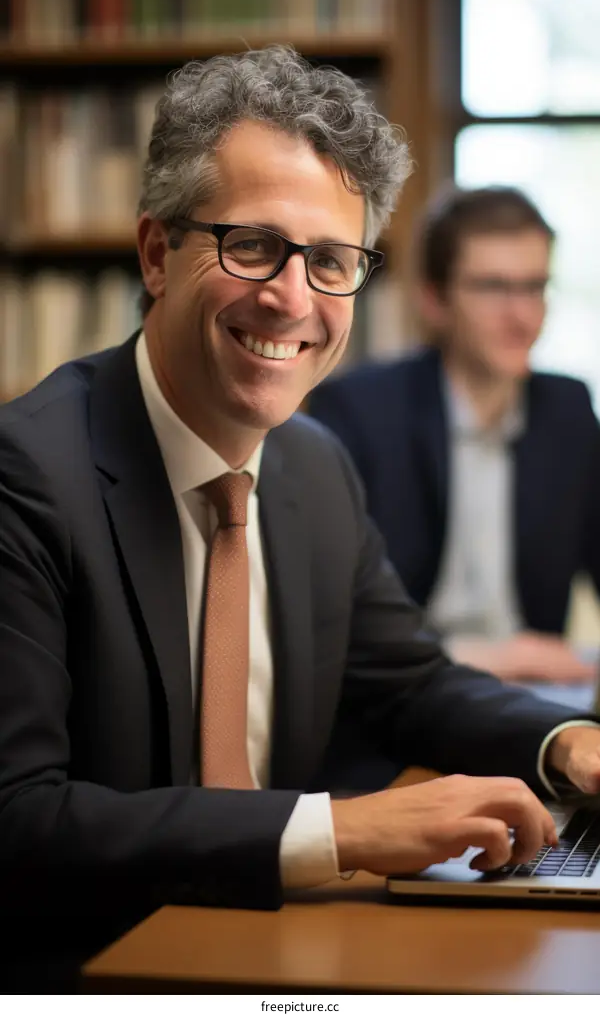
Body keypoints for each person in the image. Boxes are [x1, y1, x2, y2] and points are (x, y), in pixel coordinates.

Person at [2, 49, 600, 991]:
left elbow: (409, 684)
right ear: (158, 254)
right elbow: (19, 817)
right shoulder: (28, 474)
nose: (293, 298)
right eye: (252, 245)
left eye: (330, 260)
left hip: (274, 952)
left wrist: (564, 743)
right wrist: (345, 829)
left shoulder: (314, 468)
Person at [310, 183, 600, 684]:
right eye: (493, 287)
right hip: (405, 692)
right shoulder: (361, 410)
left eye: (535, 286)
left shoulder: (568, 410)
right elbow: (333, 618)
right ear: (434, 299)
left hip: (534, 701)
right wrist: (493, 657)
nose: (523, 315)